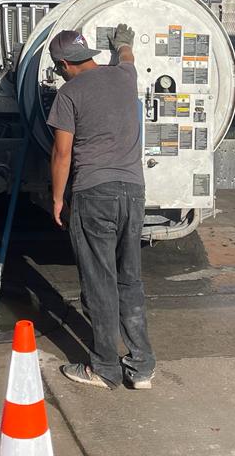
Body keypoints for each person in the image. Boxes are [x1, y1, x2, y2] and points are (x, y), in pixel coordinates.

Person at [46, 24, 156, 390]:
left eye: (59, 67)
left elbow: (62, 153)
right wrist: (122, 43)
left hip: (95, 193)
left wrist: (58, 198)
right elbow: (127, 55)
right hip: (134, 192)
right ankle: (142, 367)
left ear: (65, 64)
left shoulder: (69, 93)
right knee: (130, 279)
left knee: (100, 283)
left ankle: (105, 368)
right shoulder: (124, 75)